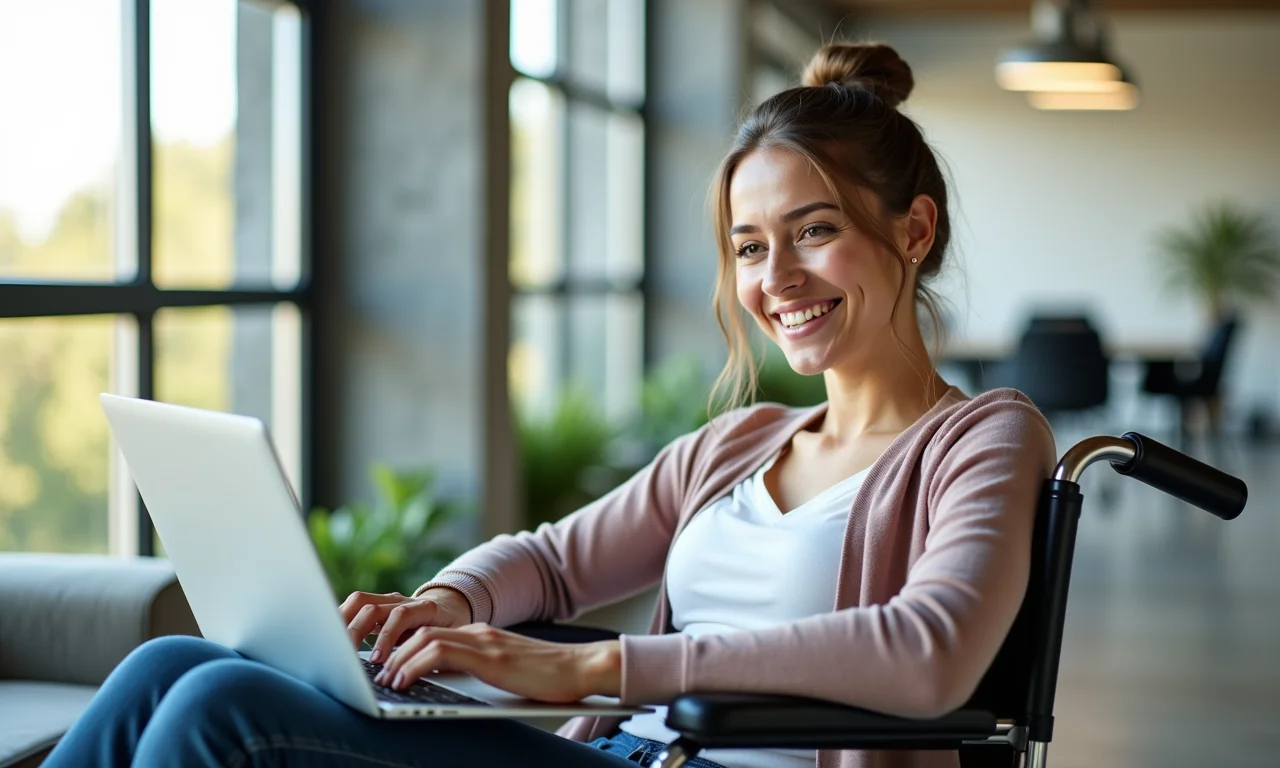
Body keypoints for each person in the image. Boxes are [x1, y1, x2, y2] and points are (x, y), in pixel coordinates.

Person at [43, 41, 1055, 768]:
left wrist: (598, 670)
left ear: (912, 230)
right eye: (749, 246)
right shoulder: (743, 443)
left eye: (813, 231)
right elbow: (552, 560)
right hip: (624, 754)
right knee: (167, 662)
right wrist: (445, 607)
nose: (774, 276)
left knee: (227, 706)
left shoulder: (984, 437)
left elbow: (927, 653)